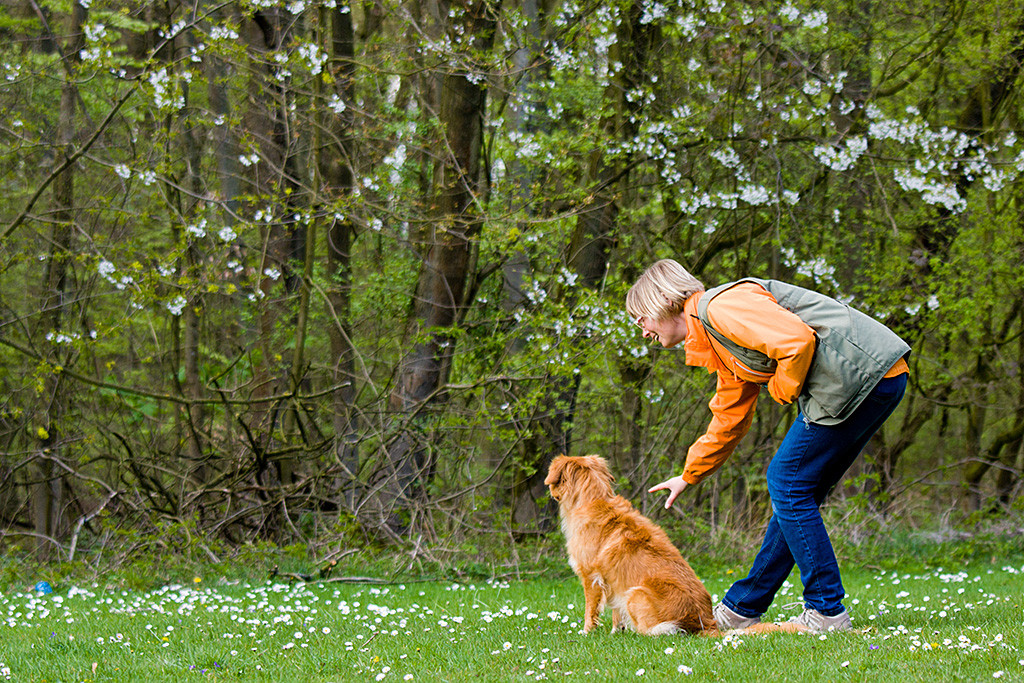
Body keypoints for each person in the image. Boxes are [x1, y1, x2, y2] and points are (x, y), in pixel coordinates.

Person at [625, 259, 910, 634]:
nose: (641, 330)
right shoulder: (715, 336)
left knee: (786, 482)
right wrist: (689, 474)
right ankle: (742, 608)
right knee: (796, 493)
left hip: (860, 375)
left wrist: (780, 388)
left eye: (640, 318)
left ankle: (826, 612)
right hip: (875, 379)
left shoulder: (721, 306)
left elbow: (796, 343)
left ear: (662, 300)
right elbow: (729, 415)